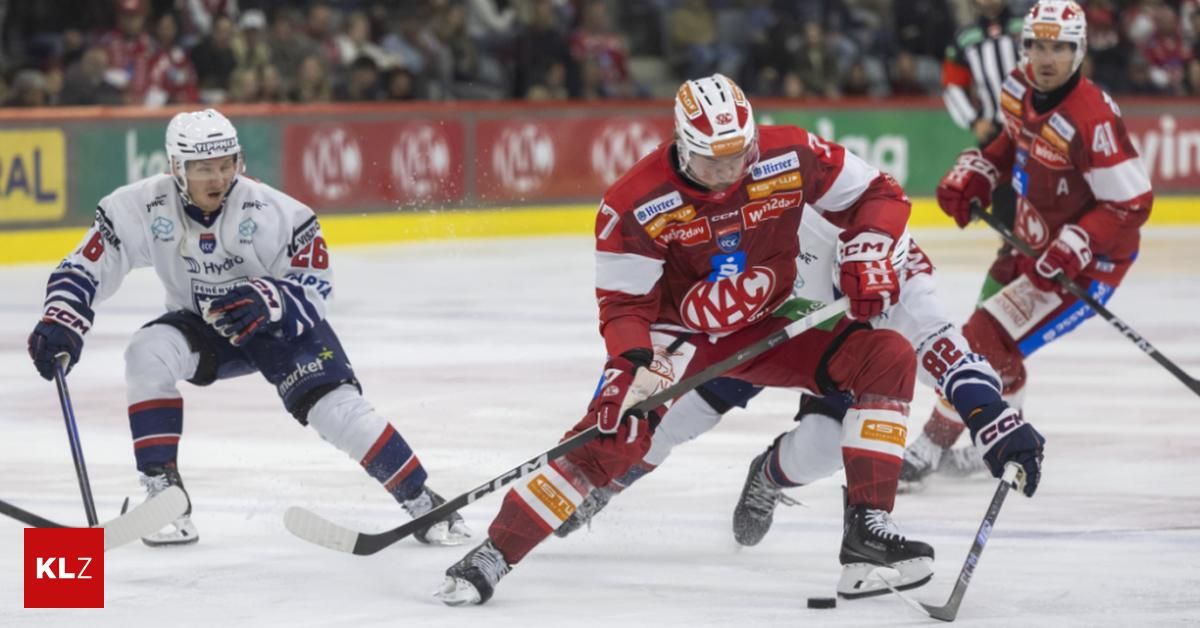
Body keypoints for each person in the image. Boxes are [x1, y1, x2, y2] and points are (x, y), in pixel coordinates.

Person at [438, 73, 932, 606]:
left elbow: (877, 191)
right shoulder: (634, 202)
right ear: (680, 143)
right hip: (679, 338)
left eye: (738, 156)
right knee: (615, 435)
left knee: (887, 357)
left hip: (772, 320)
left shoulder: (788, 154)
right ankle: (495, 551)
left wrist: (871, 244)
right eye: (710, 160)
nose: (727, 172)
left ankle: (866, 537)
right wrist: (628, 367)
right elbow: (626, 307)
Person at [26, 109, 470, 548]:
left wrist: (269, 300)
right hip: (200, 329)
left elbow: (315, 284)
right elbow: (85, 266)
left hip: (275, 328)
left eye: (226, 165)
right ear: (175, 168)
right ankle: (165, 495)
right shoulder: (139, 206)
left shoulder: (276, 212)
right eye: (203, 169)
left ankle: (422, 500)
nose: (218, 179)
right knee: (146, 351)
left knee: (336, 411)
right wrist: (62, 317)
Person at [553, 201, 1047, 546]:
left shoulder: (912, 289)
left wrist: (992, 417)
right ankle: (604, 485)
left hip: (842, 358)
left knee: (823, 447)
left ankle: (767, 476)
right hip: (763, 325)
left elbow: (952, 357)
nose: (866, 291)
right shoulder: (800, 222)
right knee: (679, 419)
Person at [916, 0, 1153, 484]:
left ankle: (930, 446)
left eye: (1060, 48)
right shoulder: (1016, 88)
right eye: (1038, 46)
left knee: (981, 338)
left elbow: (1132, 205)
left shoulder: (1092, 120)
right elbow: (1013, 143)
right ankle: (1004, 436)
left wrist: (1079, 242)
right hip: (1027, 244)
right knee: (993, 346)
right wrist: (982, 168)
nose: (1047, 59)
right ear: (1023, 47)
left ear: (1080, 50)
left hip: (1084, 265)